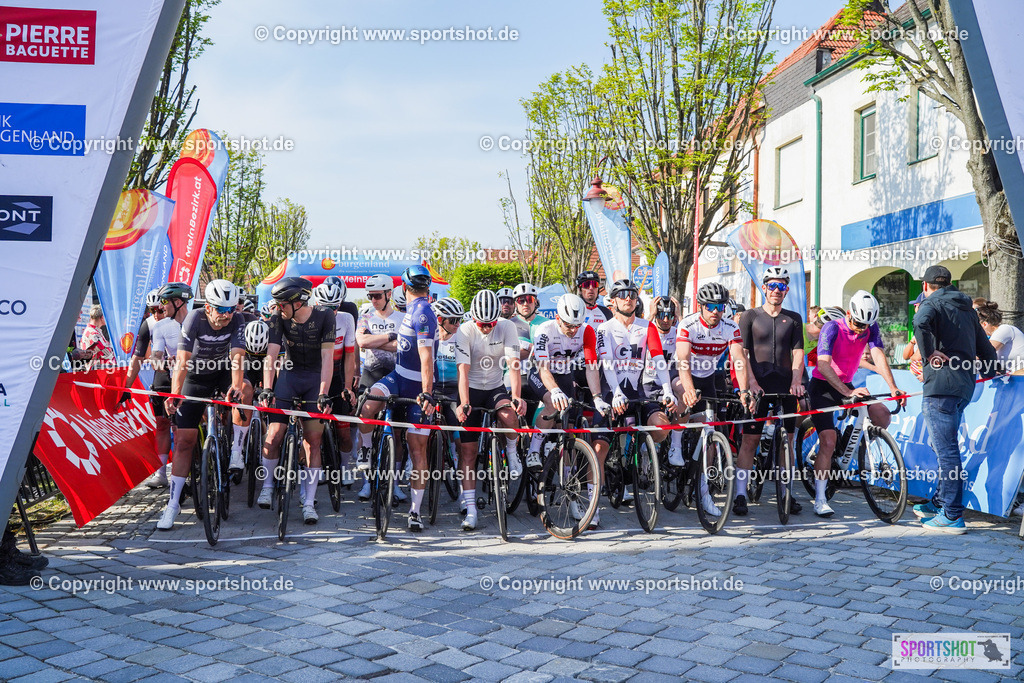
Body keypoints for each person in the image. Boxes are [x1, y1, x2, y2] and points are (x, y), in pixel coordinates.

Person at [912, 265, 999, 533]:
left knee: (947, 452)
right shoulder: (967, 310)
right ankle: (940, 502)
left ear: (926, 286)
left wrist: (929, 355)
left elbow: (919, 323)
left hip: (940, 388)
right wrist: (990, 371)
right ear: (950, 283)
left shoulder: (932, 303)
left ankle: (951, 514)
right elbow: (986, 349)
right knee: (946, 450)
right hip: (964, 388)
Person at [158, 280, 250, 530]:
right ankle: (173, 504)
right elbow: (182, 361)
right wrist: (176, 394)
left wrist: (236, 387)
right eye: (221, 309)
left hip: (222, 372)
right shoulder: (194, 319)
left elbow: (238, 357)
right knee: (185, 441)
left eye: (231, 309)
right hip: (195, 376)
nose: (227, 315)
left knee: (247, 389)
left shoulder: (237, 320)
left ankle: (236, 452)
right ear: (208, 307)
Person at [355, 266, 438, 531]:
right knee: (368, 404)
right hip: (397, 377)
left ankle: (415, 511)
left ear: (403, 288)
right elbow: (400, 345)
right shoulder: (412, 310)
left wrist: (426, 392)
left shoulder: (423, 313)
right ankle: (367, 449)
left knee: (417, 449)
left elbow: (426, 357)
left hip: (416, 386)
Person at [808, 290, 904, 517]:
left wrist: (893, 387)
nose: (861, 329)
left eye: (866, 325)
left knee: (882, 415)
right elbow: (822, 365)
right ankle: (820, 499)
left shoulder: (871, 327)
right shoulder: (832, 328)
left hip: (848, 385)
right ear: (849, 313)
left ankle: (861, 451)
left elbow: (878, 355)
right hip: (823, 387)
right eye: (858, 323)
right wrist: (847, 391)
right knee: (828, 442)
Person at [257, 277, 335, 525]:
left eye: (282, 304)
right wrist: (268, 387)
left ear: (298, 302)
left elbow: (328, 357)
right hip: (289, 376)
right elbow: (271, 355)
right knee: (274, 433)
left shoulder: (325, 316)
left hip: (314, 379)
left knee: (313, 440)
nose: (278, 308)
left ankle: (309, 502)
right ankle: (267, 486)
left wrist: (323, 392)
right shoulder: (279, 318)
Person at [596, 279, 678, 513]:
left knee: (662, 429)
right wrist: (616, 393)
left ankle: (641, 453)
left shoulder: (646, 326)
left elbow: (659, 360)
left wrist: (669, 391)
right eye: (622, 294)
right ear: (613, 301)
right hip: (610, 392)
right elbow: (607, 363)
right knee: (599, 450)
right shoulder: (605, 328)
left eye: (631, 294)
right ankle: (594, 505)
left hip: (636, 392)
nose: (628, 298)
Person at [523, 294, 605, 524]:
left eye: (576, 325)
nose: (572, 330)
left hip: (565, 374)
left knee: (567, 433)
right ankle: (534, 449)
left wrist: (597, 397)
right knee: (551, 401)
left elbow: (591, 367)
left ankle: (571, 498)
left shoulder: (587, 331)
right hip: (540, 373)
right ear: (558, 318)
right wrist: (555, 391)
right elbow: (542, 368)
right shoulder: (545, 330)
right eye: (568, 325)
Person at [735, 267, 805, 517]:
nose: (777, 290)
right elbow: (742, 354)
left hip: (785, 388)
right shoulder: (750, 316)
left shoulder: (794, 318)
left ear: (787, 290)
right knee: (750, 440)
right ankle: (740, 493)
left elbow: (798, 353)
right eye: (772, 286)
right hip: (759, 388)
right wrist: (751, 383)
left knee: (788, 440)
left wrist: (797, 381)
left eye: (782, 286)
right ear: (764, 287)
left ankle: (787, 492)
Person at [453, 290, 524, 530]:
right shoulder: (465, 330)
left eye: (491, 323)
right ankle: (471, 509)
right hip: (470, 387)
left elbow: (514, 364)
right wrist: (464, 402)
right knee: (468, 452)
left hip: (494, 386)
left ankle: (512, 454)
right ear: (473, 318)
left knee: (508, 414)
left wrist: (516, 396)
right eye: (482, 324)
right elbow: (462, 370)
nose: (486, 327)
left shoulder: (507, 327)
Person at [313, 280, 358, 486]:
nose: (331, 312)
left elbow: (350, 356)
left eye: (335, 307)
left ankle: (346, 466)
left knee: (343, 428)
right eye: (326, 308)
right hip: (315, 373)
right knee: (314, 427)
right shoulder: (309, 318)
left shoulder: (347, 318)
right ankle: (317, 465)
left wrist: (347, 387)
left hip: (338, 373)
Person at [119, 290, 166, 484]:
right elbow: (137, 358)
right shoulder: (149, 324)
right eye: (152, 309)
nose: (156, 313)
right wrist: (126, 388)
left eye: (160, 309)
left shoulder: (181, 321)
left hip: (185, 372)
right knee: (162, 424)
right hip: (163, 374)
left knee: (183, 430)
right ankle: (162, 473)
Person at [975, 299, 1024, 374]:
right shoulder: (995, 336)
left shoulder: (1004, 329)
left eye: (977, 326)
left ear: (984, 324)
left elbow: (984, 353)